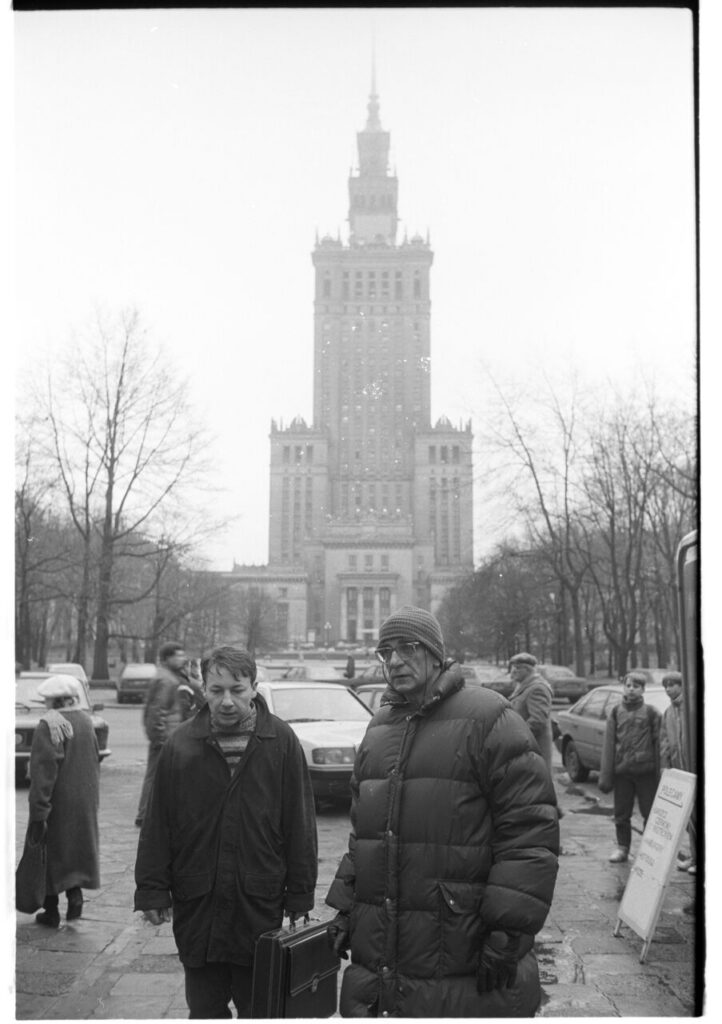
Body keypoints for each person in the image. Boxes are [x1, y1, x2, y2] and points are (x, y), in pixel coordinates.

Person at [325, 606, 559, 1018]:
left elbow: (529, 833)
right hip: (387, 951)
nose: (395, 661)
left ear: (435, 653)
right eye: (386, 652)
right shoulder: (379, 728)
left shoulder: (489, 717)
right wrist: (347, 908)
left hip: (461, 946)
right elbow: (364, 835)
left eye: (408, 648)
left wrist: (509, 932)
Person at [133, 644, 318, 1019]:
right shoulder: (181, 743)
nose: (227, 701)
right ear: (203, 689)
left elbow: (300, 824)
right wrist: (152, 888)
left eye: (237, 689)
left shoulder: (279, 742)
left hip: (259, 905)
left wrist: (300, 894)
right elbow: (158, 824)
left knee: (260, 1008)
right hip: (199, 902)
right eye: (217, 691)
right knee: (204, 1009)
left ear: (254, 687)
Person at [26, 674, 101, 927]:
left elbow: (43, 773)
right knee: (76, 850)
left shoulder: (49, 725)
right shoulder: (85, 720)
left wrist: (39, 810)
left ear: (52, 700)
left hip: (57, 802)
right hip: (84, 800)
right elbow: (94, 761)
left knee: (50, 854)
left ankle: (51, 911)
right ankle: (76, 898)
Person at [135, 641, 205, 827]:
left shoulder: (166, 676)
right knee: (156, 775)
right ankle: (145, 815)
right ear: (167, 659)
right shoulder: (167, 680)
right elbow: (157, 710)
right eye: (178, 655)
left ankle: (147, 813)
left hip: (165, 735)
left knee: (156, 775)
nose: (182, 658)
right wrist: (160, 737)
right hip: (166, 737)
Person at [598, 670, 661, 863]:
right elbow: (608, 745)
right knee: (621, 813)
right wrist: (606, 775)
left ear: (643, 689)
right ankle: (622, 848)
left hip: (646, 772)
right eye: (628, 685)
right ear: (623, 687)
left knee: (649, 813)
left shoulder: (651, 713)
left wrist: (661, 775)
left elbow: (659, 745)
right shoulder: (616, 712)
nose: (631, 689)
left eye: (636, 686)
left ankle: (650, 851)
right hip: (623, 771)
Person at [660, 670, 697, 875]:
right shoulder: (668, 712)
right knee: (689, 819)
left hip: (692, 768)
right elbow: (665, 741)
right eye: (665, 685)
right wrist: (665, 768)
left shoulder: (689, 708)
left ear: (681, 686)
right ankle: (693, 855)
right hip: (680, 770)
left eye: (672, 685)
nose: (668, 689)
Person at [508, 652, 554, 776]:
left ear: (528, 669)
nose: (513, 671)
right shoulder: (524, 687)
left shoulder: (537, 689)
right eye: (513, 667)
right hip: (526, 753)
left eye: (517, 667)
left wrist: (515, 740)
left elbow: (537, 721)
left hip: (533, 754)